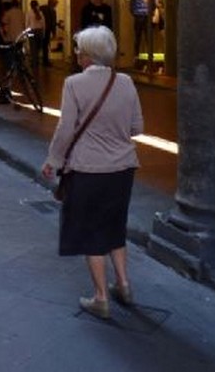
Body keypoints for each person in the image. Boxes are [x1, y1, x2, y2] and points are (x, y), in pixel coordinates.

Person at [40, 26, 143, 320]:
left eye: (78, 50)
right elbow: (137, 127)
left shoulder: (74, 84)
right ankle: (123, 285)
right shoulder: (125, 82)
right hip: (123, 168)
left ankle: (101, 298)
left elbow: (65, 129)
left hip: (87, 168)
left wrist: (53, 160)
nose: (76, 54)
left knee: (90, 231)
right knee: (114, 226)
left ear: (87, 55)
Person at [27, 0, 47, 71]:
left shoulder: (29, 13)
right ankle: (37, 62)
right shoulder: (41, 13)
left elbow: (27, 24)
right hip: (39, 31)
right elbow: (44, 24)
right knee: (38, 48)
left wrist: (27, 34)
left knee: (33, 48)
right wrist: (43, 33)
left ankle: (34, 62)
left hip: (31, 31)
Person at [40, 0, 59, 67]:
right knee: (45, 45)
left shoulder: (42, 8)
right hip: (47, 30)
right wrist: (54, 33)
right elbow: (53, 23)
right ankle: (45, 61)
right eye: (56, 4)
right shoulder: (53, 11)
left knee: (41, 46)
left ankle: (39, 60)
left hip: (40, 29)